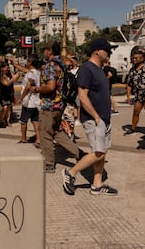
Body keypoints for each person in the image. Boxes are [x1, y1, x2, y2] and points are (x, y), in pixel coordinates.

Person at [62, 38, 118, 196]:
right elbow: (82, 96)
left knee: (103, 151)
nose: (109, 53)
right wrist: (96, 117)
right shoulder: (87, 68)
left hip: (104, 118)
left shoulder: (99, 69)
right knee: (98, 152)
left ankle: (97, 185)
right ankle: (71, 173)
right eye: (107, 50)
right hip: (95, 119)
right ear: (97, 51)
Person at [31, 41, 79, 173]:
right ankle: (79, 154)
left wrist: (36, 89)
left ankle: (48, 164)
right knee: (57, 132)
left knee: (46, 134)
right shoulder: (62, 64)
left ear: (50, 51)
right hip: (59, 105)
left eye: (44, 50)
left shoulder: (50, 66)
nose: (43, 53)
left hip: (49, 106)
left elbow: (51, 86)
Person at [124, 48, 145, 138]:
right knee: (136, 111)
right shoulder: (132, 70)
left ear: (142, 59)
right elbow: (129, 84)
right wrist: (128, 96)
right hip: (138, 95)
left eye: (136, 58)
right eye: (133, 58)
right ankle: (133, 128)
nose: (134, 60)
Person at [17, 54, 41, 147]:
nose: (26, 62)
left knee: (23, 121)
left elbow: (28, 87)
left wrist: (21, 98)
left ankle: (23, 138)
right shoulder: (38, 72)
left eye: (27, 61)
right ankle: (38, 139)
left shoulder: (30, 74)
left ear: (30, 62)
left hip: (29, 102)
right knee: (35, 121)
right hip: (36, 101)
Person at [0, 62, 20, 128]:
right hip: (2, 93)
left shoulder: (9, 74)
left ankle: (8, 121)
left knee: (9, 107)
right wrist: (14, 78)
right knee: (5, 107)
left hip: (9, 93)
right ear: (2, 68)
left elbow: (16, 78)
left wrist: (15, 74)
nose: (7, 69)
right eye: (6, 67)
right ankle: (1, 120)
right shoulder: (0, 76)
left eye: (8, 67)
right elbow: (7, 84)